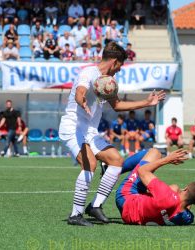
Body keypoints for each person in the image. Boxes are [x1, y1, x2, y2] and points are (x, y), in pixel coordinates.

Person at [58, 41, 165, 226]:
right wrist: (81, 100)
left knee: (116, 160)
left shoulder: (107, 82)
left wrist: (146, 103)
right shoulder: (89, 73)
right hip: (72, 128)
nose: (119, 70)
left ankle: (95, 206)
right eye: (120, 66)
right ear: (114, 61)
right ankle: (75, 215)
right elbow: (80, 91)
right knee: (90, 164)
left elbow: (116, 106)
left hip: (89, 132)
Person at [116, 148, 195, 225]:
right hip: (132, 218)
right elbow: (188, 200)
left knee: (155, 153)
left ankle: (113, 169)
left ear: (186, 188)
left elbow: (142, 171)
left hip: (125, 198)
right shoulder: (187, 218)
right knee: (172, 191)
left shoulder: (167, 194)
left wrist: (167, 159)